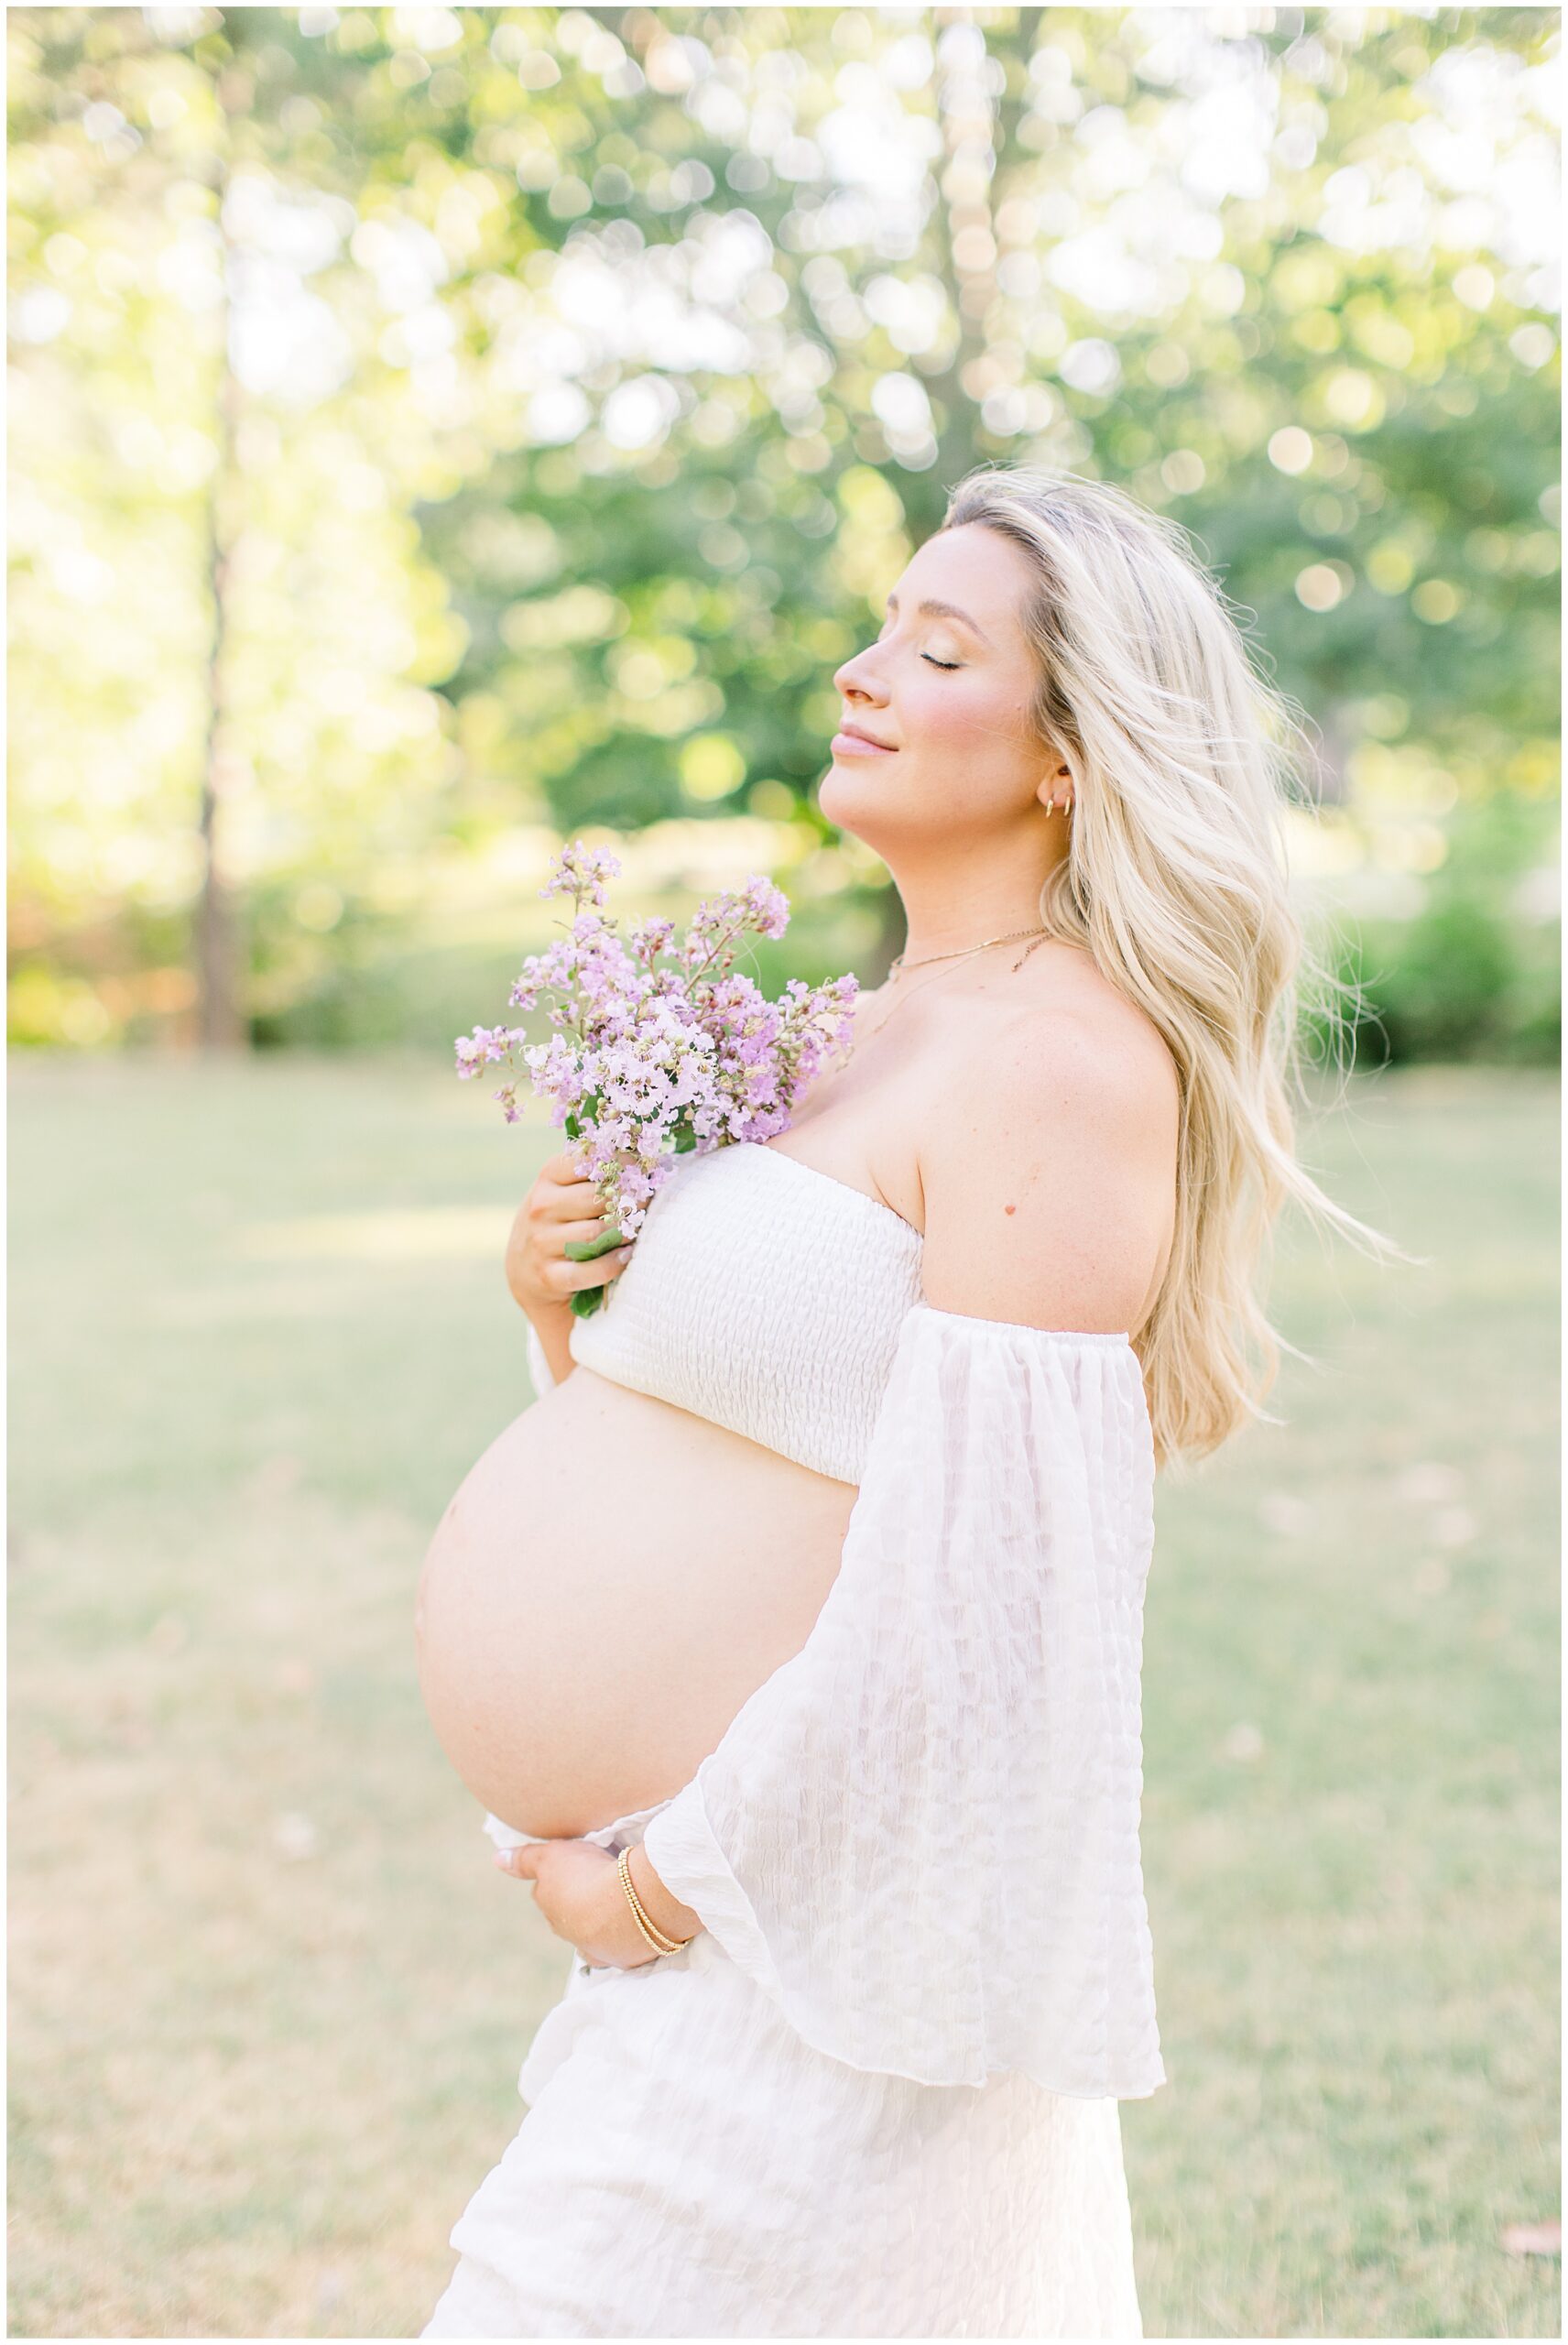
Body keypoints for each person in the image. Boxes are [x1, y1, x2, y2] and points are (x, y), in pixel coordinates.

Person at [419, 465, 1402, 2339]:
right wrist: (560, 1311)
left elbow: (987, 1600)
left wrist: (666, 1886)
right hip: (714, 1918)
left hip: (806, 1947)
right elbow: (743, 1441)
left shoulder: (1059, 1063)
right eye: (883, 625)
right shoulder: (862, 1023)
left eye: (939, 647)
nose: (866, 670)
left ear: (1066, 756)